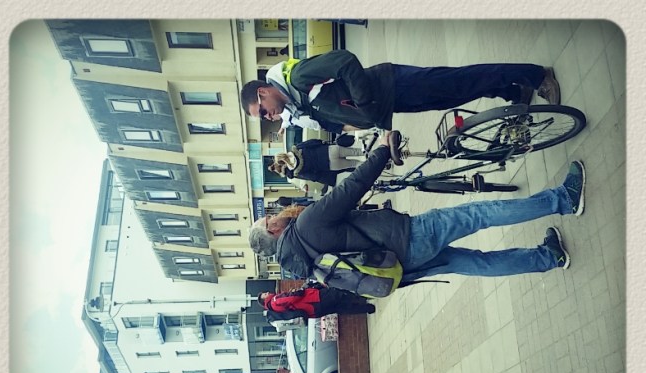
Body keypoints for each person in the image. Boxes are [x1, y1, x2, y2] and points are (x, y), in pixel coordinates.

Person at [248, 131, 586, 283]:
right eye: (269, 219)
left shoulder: (302, 265)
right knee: (477, 215)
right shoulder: (305, 225)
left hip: (402, 266)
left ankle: (549, 258)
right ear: (272, 231)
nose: (274, 216)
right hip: (409, 237)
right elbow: (352, 187)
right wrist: (382, 151)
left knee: (475, 263)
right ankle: (562, 199)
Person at [240, 50, 561, 134]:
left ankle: (536, 75)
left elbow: (344, 61)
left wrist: (365, 104)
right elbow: (336, 122)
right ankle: (511, 91)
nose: (268, 116)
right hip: (393, 103)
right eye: (263, 118)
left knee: (463, 79)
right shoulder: (298, 107)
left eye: (262, 110)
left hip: (394, 83)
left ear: (264, 91)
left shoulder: (297, 77)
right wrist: (368, 125)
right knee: (454, 96)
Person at [269, 138, 366, 188]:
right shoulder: (297, 148)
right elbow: (312, 142)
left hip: (329, 165)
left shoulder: (297, 172)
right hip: (328, 150)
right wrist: (322, 142)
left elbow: (314, 177)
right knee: (357, 151)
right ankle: (372, 152)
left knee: (354, 164)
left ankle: (372, 164)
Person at [257, 283, 375, 318]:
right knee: (338, 294)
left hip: (313, 311)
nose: (267, 293)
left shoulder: (275, 309)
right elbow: (293, 297)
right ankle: (366, 296)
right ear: (264, 300)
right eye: (265, 295)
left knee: (340, 308)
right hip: (314, 300)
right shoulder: (275, 301)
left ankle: (367, 308)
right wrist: (300, 290)